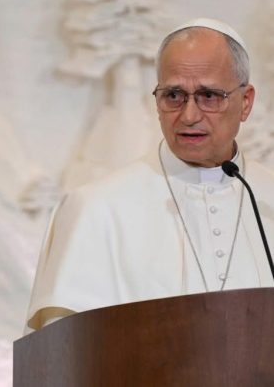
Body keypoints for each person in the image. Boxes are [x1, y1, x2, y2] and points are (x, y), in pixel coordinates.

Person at [26, 18, 274, 332]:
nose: (189, 115)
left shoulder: (267, 196)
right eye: (174, 95)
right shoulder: (95, 209)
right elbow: (63, 349)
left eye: (209, 96)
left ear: (245, 102)